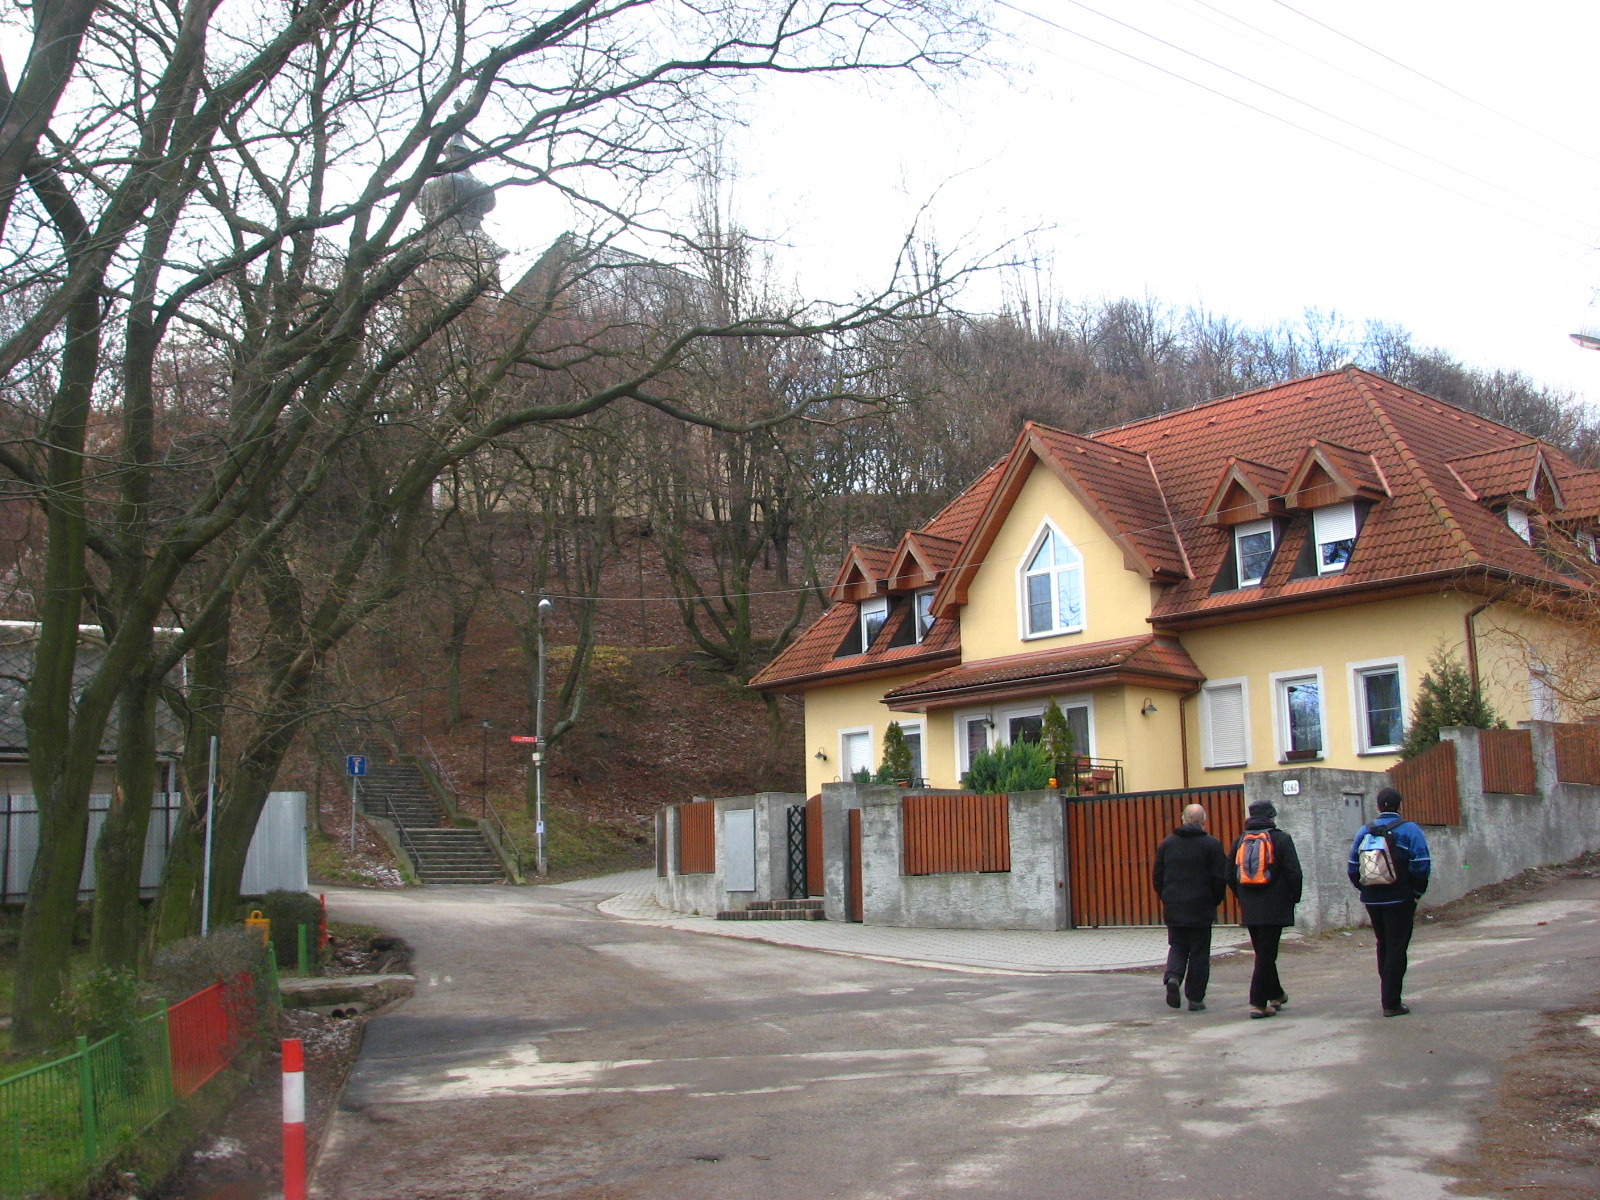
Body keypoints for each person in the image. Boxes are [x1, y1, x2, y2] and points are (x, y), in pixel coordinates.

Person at [1347, 786, 1432, 1017]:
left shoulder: (1364, 830)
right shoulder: (1410, 830)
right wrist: (1416, 892)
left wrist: (1365, 888)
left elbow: (1353, 867)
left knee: (1382, 943)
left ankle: (1388, 992)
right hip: (1400, 897)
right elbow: (1421, 863)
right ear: (1399, 805)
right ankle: (1391, 1002)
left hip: (1372, 898)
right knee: (1397, 946)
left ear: (1377, 806)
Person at [1227, 799, 1303, 1019]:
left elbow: (1229, 873)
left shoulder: (1240, 841)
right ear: (1271, 817)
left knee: (1263, 953)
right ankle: (1258, 1003)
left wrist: (1242, 896)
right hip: (1275, 905)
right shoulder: (1282, 839)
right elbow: (1294, 872)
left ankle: (1276, 994)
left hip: (1250, 907)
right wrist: (1293, 898)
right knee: (1266, 956)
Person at [1152, 803, 1228, 1012]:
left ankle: (1173, 977)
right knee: (1199, 952)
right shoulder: (1212, 845)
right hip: (1201, 907)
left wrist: (1167, 897)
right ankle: (1195, 998)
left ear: (1183, 818)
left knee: (1177, 946)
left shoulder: (1167, 844)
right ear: (1203, 821)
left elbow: (1158, 876)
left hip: (1174, 906)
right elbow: (1219, 878)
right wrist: (1214, 900)